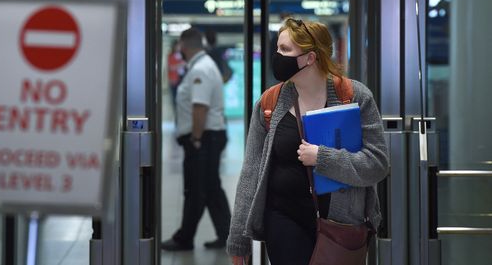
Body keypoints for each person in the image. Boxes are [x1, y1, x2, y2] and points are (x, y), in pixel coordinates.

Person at [226, 18, 389, 264]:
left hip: (341, 223)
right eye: (277, 48)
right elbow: (250, 174)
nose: (277, 55)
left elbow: (377, 164)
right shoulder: (270, 103)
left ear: (310, 58)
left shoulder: (354, 97)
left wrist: (322, 158)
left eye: (285, 50)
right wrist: (238, 240)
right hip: (282, 217)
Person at [161, 27, 232, 251]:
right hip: (211, 136)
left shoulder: (200, 69)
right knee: (211, 188)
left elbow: (199, 107)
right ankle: (227, 235)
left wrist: (196, 138)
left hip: (205, 138)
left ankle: (184, 238)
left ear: (184, 45)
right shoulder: (204, 65)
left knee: (195, 189)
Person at [167, 39, 186, 110]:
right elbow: (171, 67)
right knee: (175, 98)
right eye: (178, 46)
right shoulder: (170, 56)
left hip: (182, 78)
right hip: (174, 80)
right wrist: (180, 65)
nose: (179, 47)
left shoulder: (182, 55)